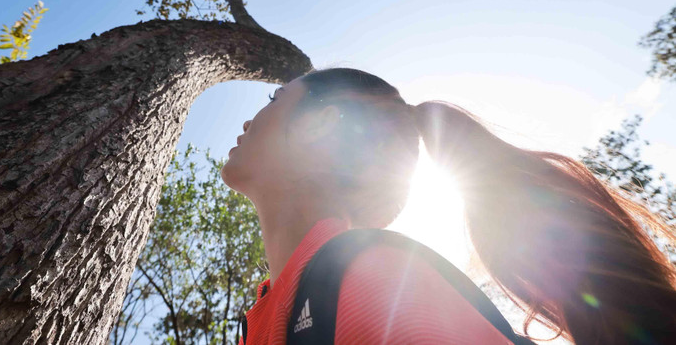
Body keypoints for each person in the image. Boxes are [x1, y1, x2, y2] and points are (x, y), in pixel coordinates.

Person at [221, 68, 676, 344]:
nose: (247, 120)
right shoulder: (272, 315)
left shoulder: (371, 283)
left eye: (275, 98)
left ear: (318, 125)